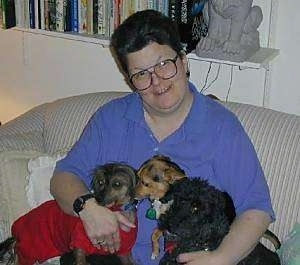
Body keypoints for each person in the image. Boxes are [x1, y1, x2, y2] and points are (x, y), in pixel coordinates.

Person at [50, 9, 275, 265]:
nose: (157, 81)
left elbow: (257, 207)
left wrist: (220, 258)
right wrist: (88, 208)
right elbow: (63, 176)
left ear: (183, 61)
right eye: (141, 74)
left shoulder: (222, 127)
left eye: (163, 64)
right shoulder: (110, 119)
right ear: (130, 80)